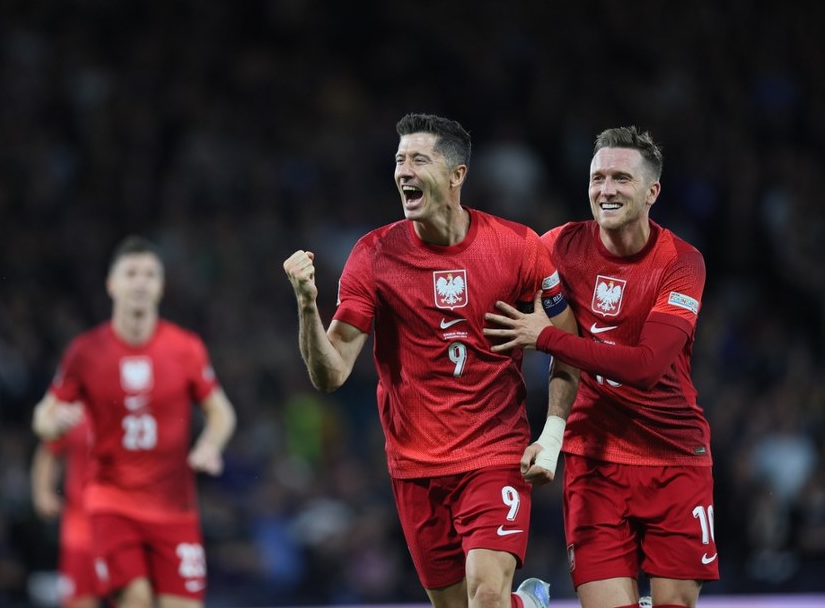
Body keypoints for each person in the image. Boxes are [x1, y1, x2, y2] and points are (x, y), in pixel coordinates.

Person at [283, 113, 580, 608]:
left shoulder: (518, 247)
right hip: (414, 465)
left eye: (418, 159)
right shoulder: (374, 255)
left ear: (456, 175)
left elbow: (567, 338)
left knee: (485, 596)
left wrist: (551, 433)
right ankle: (527, 605)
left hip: (494, 454)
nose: (403, 171)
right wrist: (308, 305)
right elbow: (331, 373)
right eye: (399, 160)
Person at [484, 126, 718, 608]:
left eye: (620, 178)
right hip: (595, 461)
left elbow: (647, 366)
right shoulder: (559, 247)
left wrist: (544, 336)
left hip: (674, 457)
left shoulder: (681, 263)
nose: (605, 189)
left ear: (652, 191)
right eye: (597, 178)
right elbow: (487, 269)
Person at [32, 235, 237, 608]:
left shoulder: (185, 348)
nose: (140, 282)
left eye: (150, 274)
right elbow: (43, 415)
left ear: (161, 286)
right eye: (131, 273)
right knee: (137, 599)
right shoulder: (86, 351)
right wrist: (53, 424)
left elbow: (221, 412)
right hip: (112, 502)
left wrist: (210, 444)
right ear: (112, 284)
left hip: (175, 508)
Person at [31, 417, 103, 608]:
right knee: (79, 598)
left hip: (122, 522)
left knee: (132, 597)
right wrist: (43, 492)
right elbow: (49, 448)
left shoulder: (130, 403)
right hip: (80, 523)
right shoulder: (73, 410)